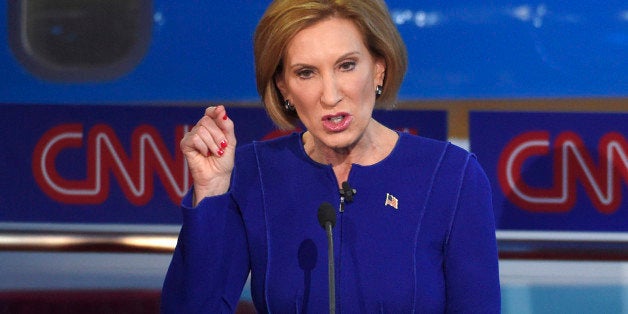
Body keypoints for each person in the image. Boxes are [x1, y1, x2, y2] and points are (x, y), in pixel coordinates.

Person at [161, 0, 501, 313]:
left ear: (379, 69)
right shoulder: (253, 174)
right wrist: (211, 190)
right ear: (284, 87)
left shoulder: (452, 177)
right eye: (306, 72)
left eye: (347, 65)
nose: (331, 94)